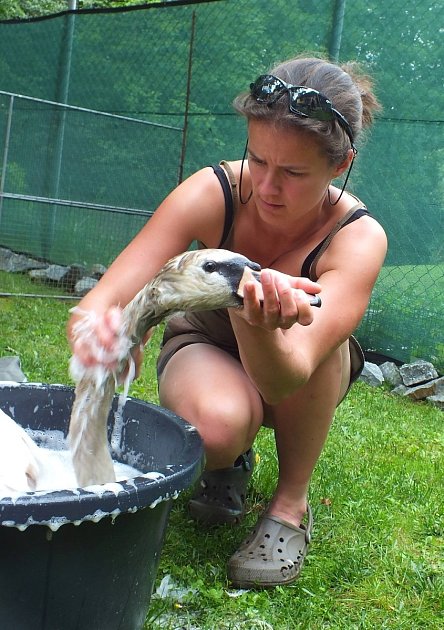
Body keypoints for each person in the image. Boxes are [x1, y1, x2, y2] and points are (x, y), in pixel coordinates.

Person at [68, 54, 387, 588]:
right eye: (257, 160)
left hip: (301, 369)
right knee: (215, 430)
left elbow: (287, 376)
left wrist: (254, 311)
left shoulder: (357, 237)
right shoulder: (212, 190)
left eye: (292, 172)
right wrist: (100, 328)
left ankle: (289, 506)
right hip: (208, 342)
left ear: (339, 164)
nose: (265, 187)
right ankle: (228, 462)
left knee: (323, 347)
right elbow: (104, 298)